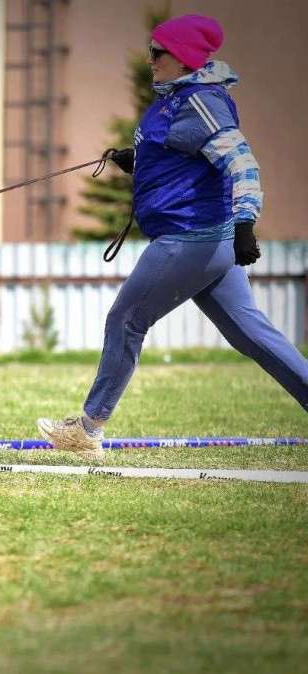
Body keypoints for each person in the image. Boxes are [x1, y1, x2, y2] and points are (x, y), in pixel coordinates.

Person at [37, 14, 308, 456]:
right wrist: (139, 160)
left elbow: (243, 164)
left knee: (126, 321)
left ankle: (87, 430)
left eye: (158, 52)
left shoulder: (201, 102)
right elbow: (184, 158)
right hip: (204, 241)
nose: (151, 59)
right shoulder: (174, 99)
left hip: (191, 238)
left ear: (182, 59)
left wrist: (246, 223)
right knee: (251, 334)